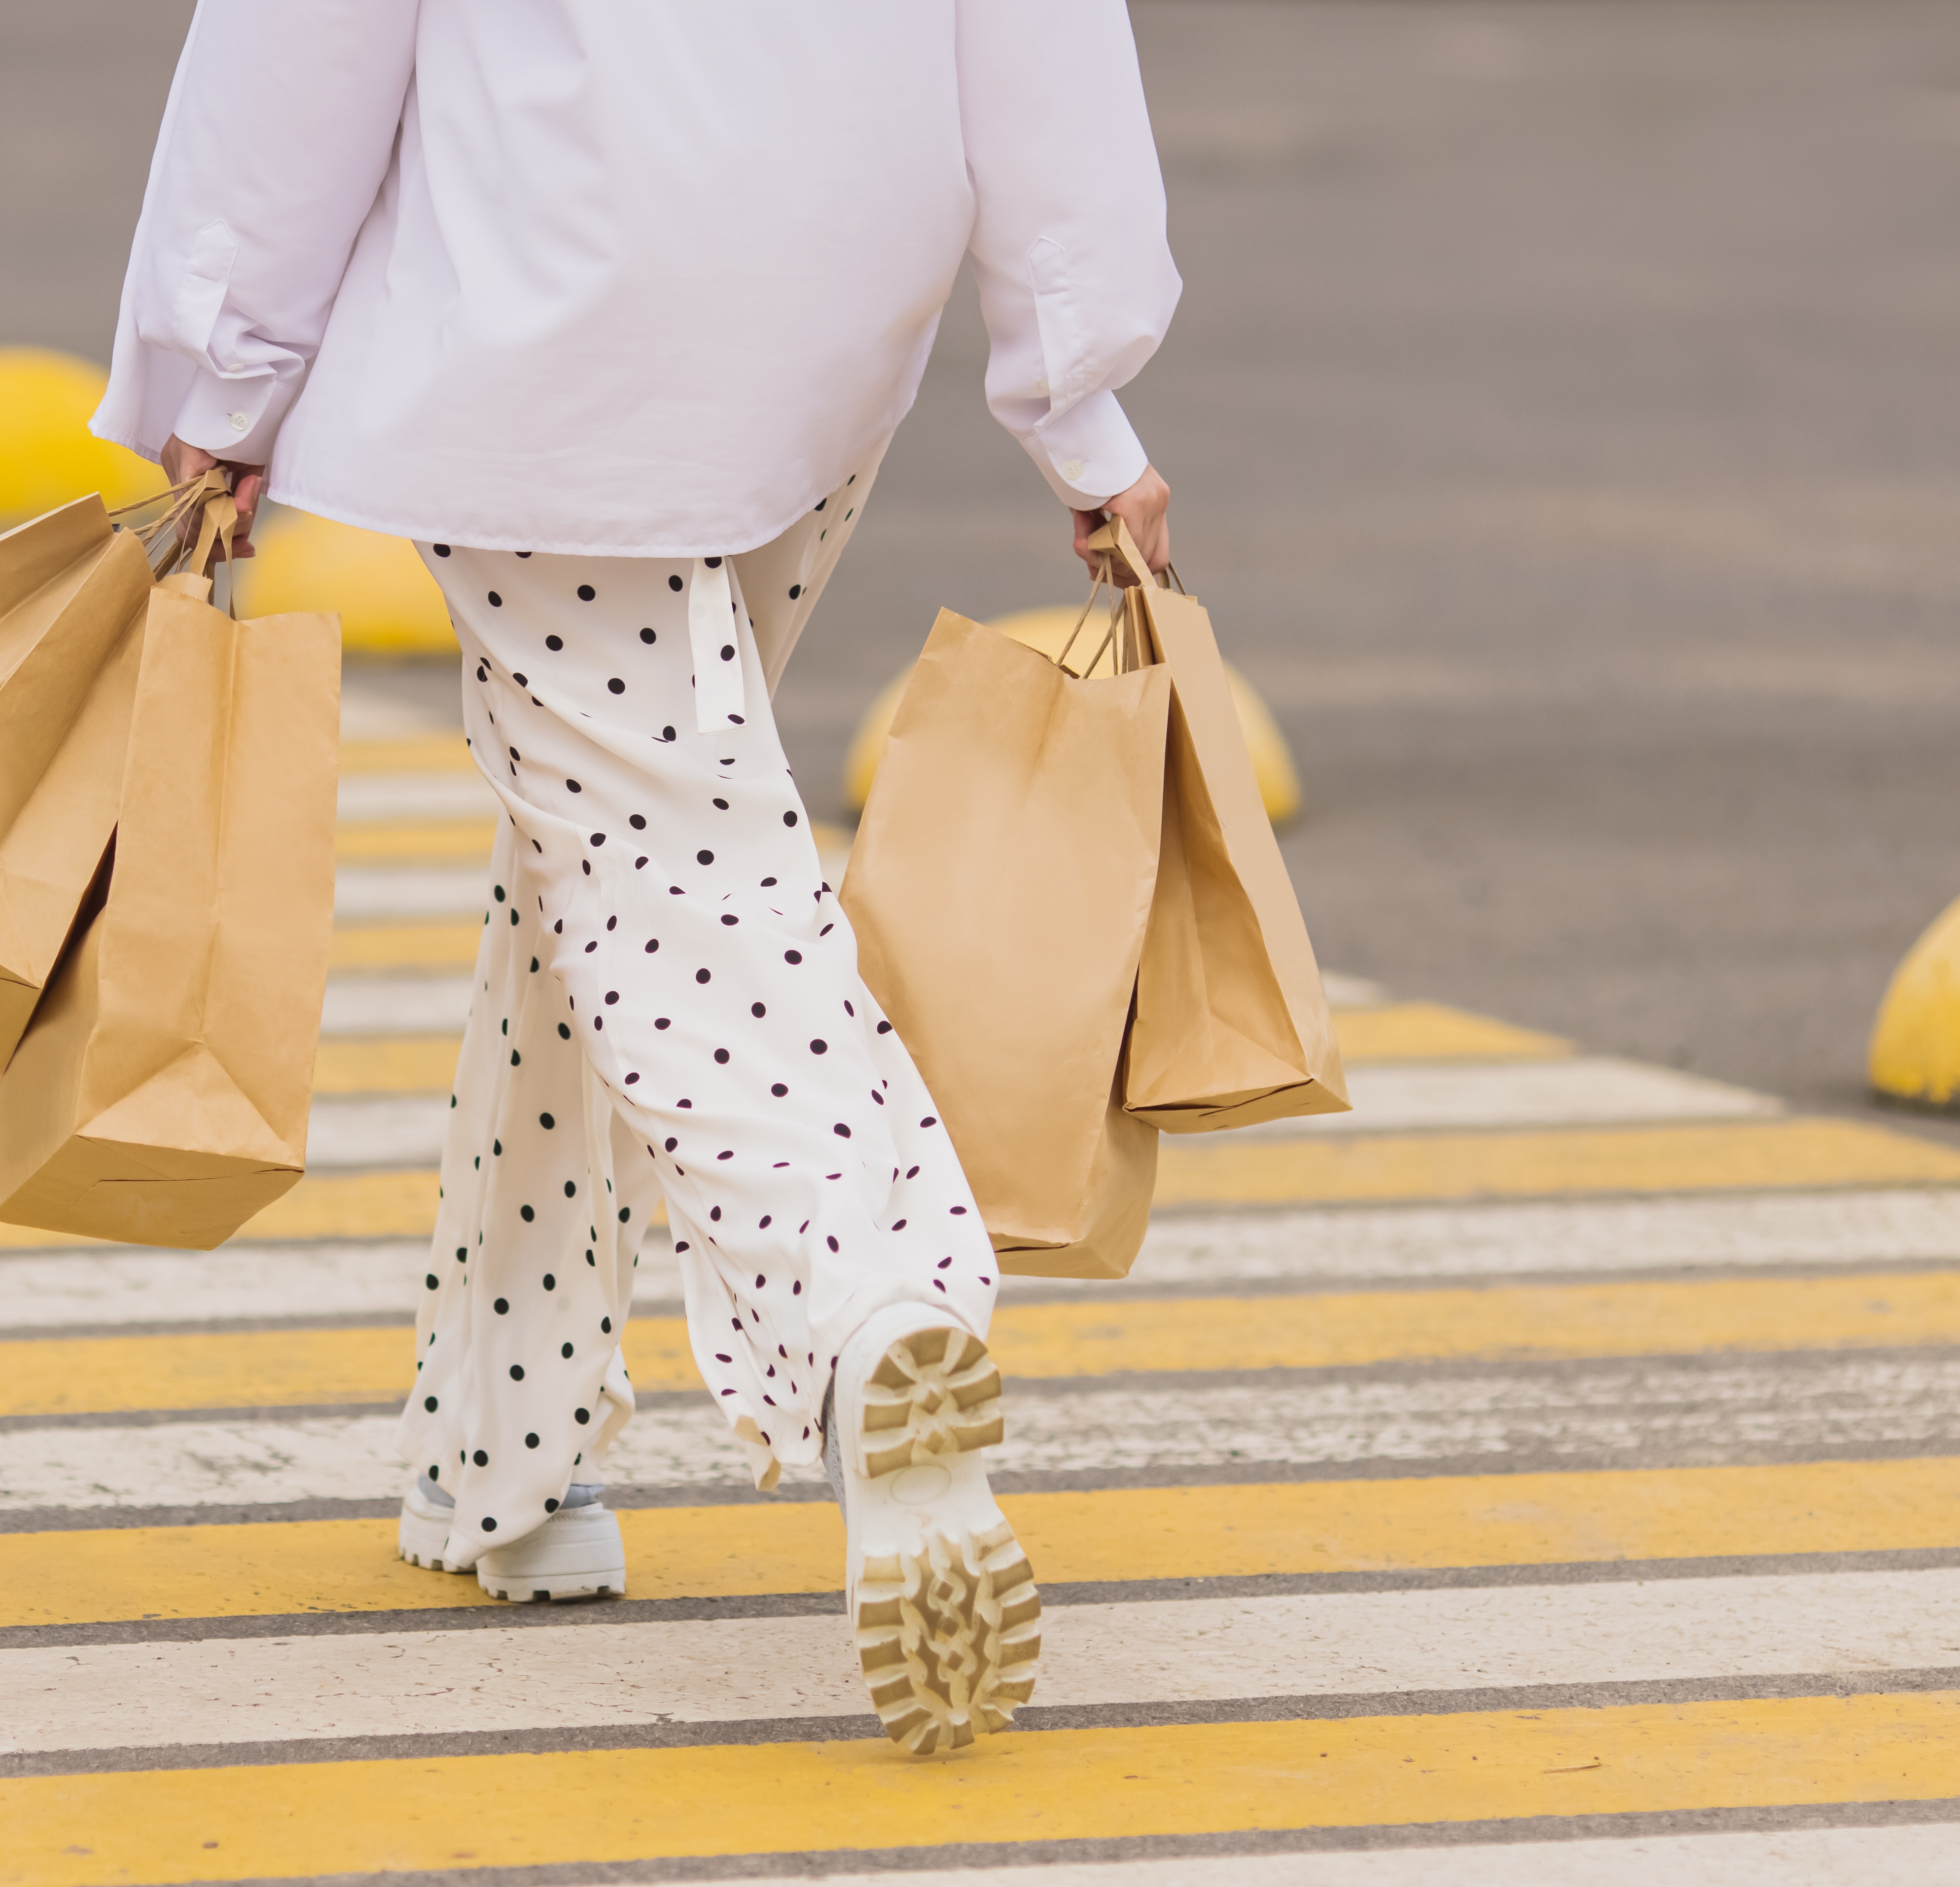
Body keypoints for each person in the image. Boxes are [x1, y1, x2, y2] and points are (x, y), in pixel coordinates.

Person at [96, 0, 1180, 1755]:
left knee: (659, 849)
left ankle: (868, 1295)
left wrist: (225, 376)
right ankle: (504, 1454)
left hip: (556, 314)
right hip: (827, 306)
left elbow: (303, 43)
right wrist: (1085, 404)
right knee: (600, 842)